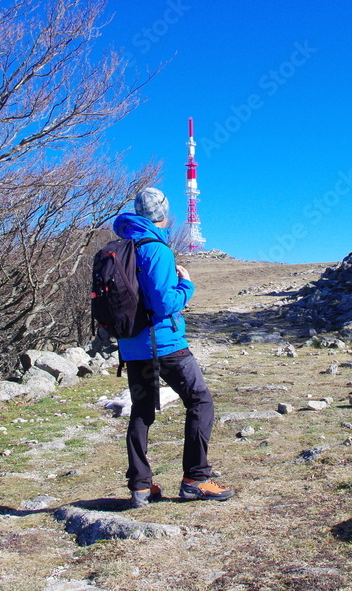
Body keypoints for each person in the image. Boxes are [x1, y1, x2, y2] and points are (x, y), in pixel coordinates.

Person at [112, 187, 234, 508]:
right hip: (164, 344)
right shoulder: (156, 249)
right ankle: (196, 477)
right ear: (163, 214)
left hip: (132, 346)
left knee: (141, 412)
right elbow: (164, 303)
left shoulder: (123, 247)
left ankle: (140, 487)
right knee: (200, 401)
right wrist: (186, 285)